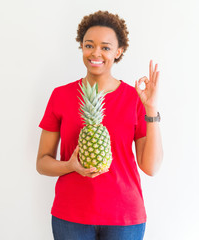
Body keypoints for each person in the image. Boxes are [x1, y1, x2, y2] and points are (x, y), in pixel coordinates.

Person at [36, 10, 163, 240]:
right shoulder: (61, 96)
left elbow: (151, 167)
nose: (96, 53)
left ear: (118, 52)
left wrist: (151, 109)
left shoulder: (134, 98)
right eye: (89, 45)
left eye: (105, 47)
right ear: (82, 47)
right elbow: (42, 163)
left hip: (124, 217)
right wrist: (70, 166)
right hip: (70, 215)